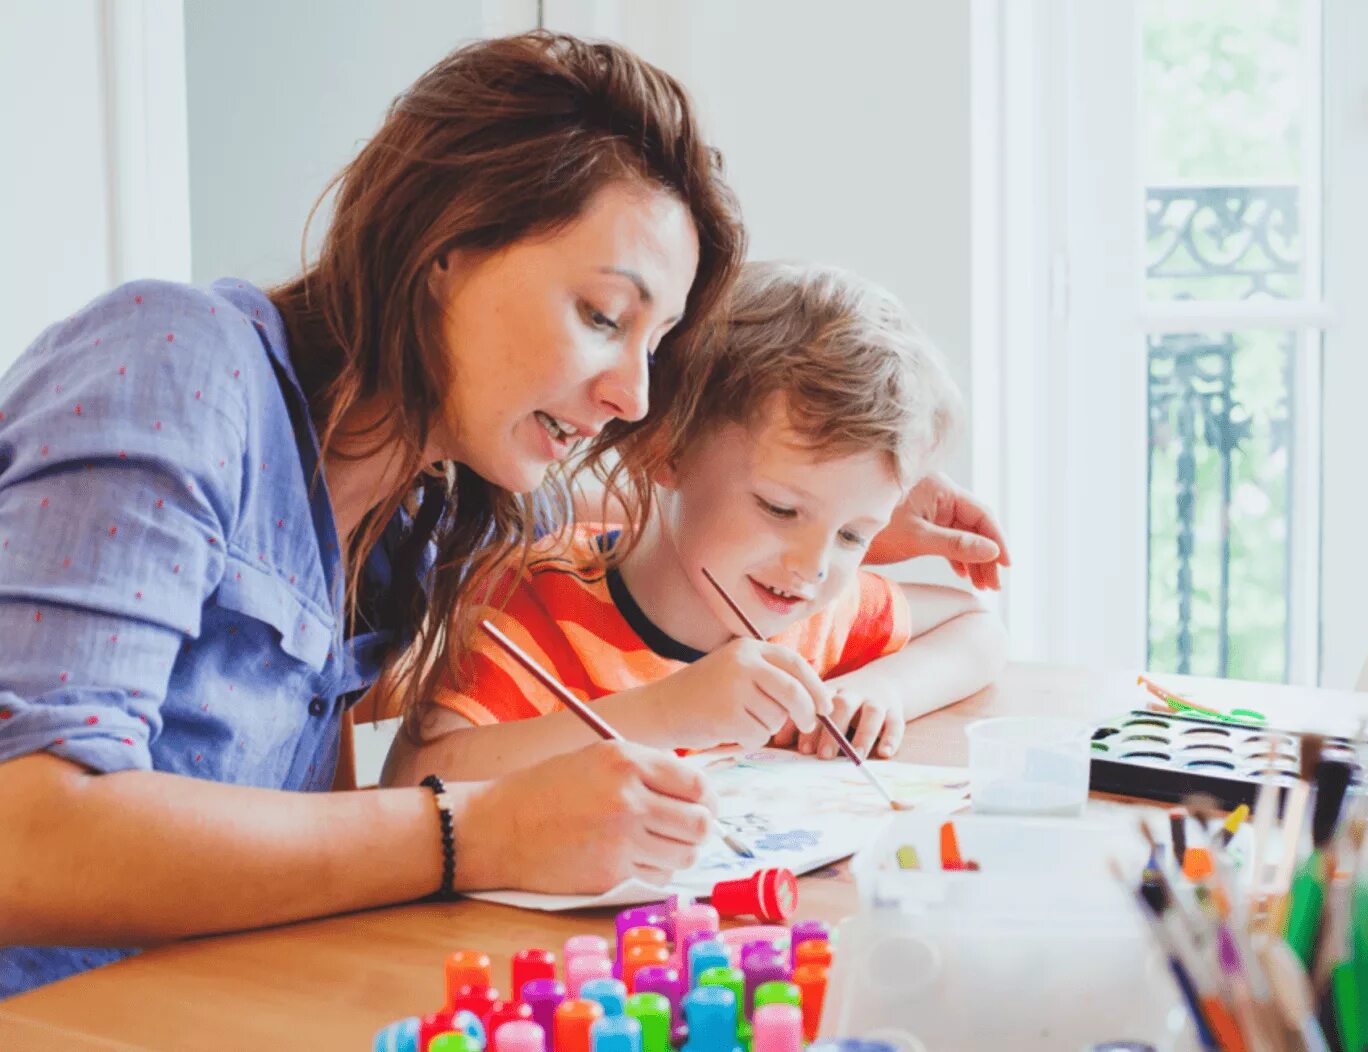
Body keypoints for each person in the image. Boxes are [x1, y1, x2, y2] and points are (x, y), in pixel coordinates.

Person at [0, 32, 1006, 998]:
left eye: (653, 345)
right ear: (446, 244)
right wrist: (475, 828)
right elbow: (28, 834)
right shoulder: (176, 363)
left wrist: (832, 509)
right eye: (603, 315)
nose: (634, 394)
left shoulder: (426, 500)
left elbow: (640, 483)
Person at [398, 262, 1006, 778]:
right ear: (666, 450)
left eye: (853, 535)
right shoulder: (539, 603)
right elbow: (414, 782)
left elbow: (977, 626)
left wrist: (885, 691)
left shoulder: (807, 616)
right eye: (780, 508)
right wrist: (665, 714)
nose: (813, 567)